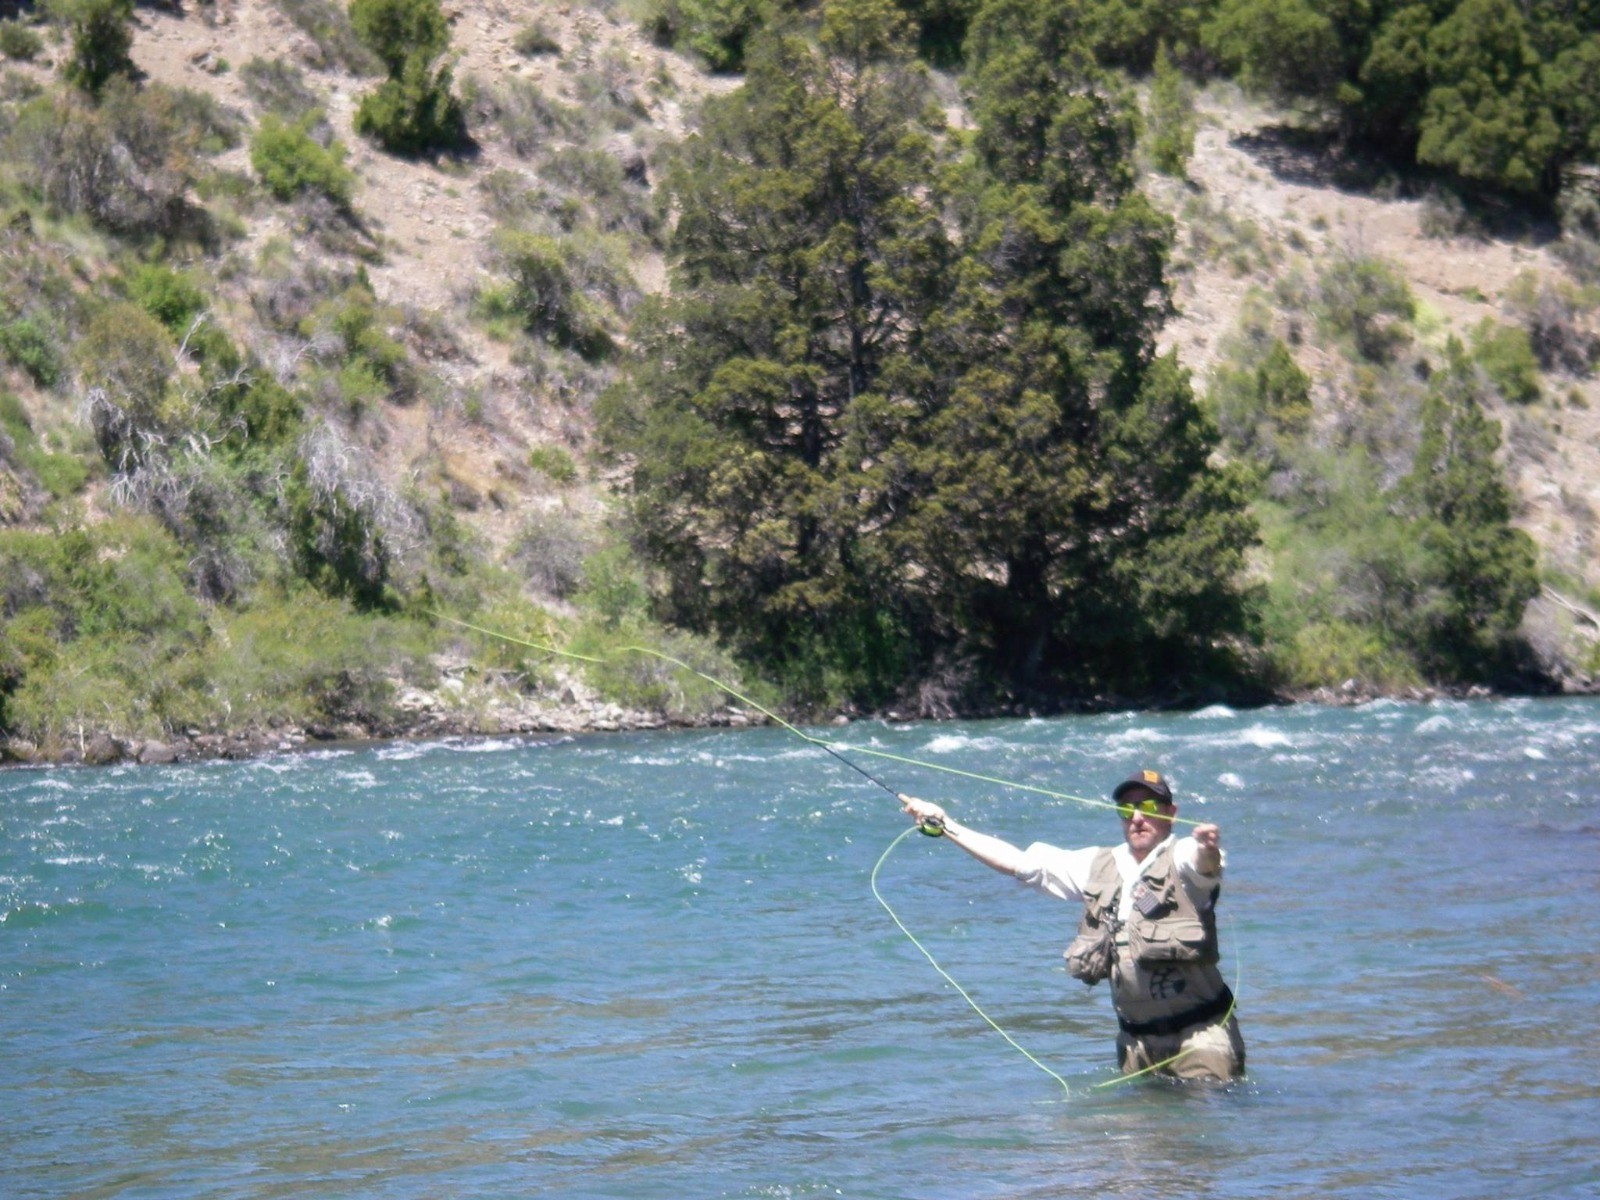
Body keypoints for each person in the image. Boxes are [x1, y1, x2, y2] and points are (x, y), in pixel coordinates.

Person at [898, 768, 1244, 1082]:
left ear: (1171, 813)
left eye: (1149, 808)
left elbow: (1204, 865)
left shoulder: (1185, 855)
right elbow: (1020, 863)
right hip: (1135, 1044)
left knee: (1202, 1143)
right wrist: (947, 826)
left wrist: (1207, 847)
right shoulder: (1097, 864)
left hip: (1201, 1038)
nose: (1137, 818)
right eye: (1127, 810)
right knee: (1141, 1144)